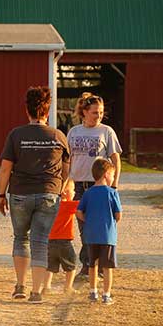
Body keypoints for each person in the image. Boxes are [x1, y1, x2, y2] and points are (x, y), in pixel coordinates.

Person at [0, 86, 70, 304]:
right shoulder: (58, 136)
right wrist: (59, 188)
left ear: (27, 110)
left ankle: (20, 285)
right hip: (49, 194)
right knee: (40, 241)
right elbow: (67, 169)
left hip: (20, 193)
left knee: (21, 238)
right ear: (47, 112)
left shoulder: (16, 135)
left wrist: (1, 194)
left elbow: (5, 168)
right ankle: (36, 292)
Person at [67, 93, 122, 277]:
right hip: (80, 186)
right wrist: (65, 183)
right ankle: (90, 262)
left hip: (99, 185)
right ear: (84, 112)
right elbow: (68, 159)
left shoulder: (106, 131)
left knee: (99, 226)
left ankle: (93, 264)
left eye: (100, 112)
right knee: (84, 225)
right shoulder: (74, 132)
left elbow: (115, 158)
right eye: (94, 112)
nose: (98, 116)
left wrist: (114, 184)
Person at [76, 158, 122, 305]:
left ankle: (93, 292)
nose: (113, 178)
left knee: (92, 264)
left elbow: (78, 212)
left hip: (91, 234)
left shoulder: (88, 193)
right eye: (113, 175)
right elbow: (118, 215)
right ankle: (106, 295)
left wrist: (87, 221)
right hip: (107, 235)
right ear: (106, 174)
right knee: (107, 266)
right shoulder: (112, 193)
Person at [43, 179, 79, 295]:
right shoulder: (69, 205)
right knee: (71, 264)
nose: (74, 193)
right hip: (64, 241)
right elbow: (83, 205)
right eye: (72, 190)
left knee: (50, 266)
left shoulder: (50, 206)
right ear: (64, 192)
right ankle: (68, 287)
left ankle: (46, 287)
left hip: (50, 240)